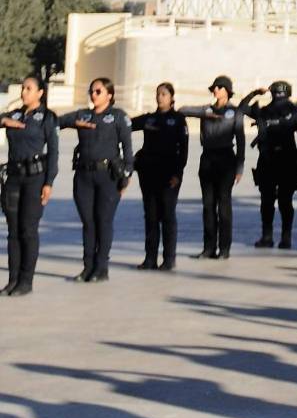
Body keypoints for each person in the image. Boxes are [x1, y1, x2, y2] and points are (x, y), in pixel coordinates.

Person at [57, 78, 135, 283]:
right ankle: (88, 267)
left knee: (103, 221)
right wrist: (74, 123)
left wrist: (126, 176)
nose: (93, 94)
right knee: (88, 223)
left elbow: (127, 148)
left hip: (107, 176)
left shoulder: (118, 116)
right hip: (84, 176)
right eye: (91, 91)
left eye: (98, 91)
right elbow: (54, 122)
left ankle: (101, 268)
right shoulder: (83, 115)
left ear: (109, 94)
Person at [1, 75, 58, 295]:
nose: (24, 92)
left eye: (29, 88)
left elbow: (53, 152)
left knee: (28, 230)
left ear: (40, 93)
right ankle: (13, 279)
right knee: (13, 231)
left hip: (35, 179)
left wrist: (49, 183)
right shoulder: (14, 114)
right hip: (13, 177)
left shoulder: (47, 118)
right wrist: (3, 122)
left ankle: (26, 281)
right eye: (23, 88)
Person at [179, 75, 245, 259]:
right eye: (214, 88)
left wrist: (239, 167)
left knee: (224, 205)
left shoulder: (235, 111)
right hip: (208, 158)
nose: (215, 90)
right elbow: (182, 110)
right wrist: (204, 114)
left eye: (219, 87)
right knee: (208, 206)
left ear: (227, 91)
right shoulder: (206, 109)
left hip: (226, 158)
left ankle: (224, 248)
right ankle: (209, 247)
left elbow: (240, 140)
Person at [130, 83, 188, 271]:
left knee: (168, 215)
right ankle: (150, 258)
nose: (160, 97)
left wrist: (178, 174)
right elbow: (126, 125)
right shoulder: (149, 119)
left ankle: (169, 258)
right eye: (158, 94)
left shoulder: (178, 120)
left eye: (164, 94)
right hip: (149, 174)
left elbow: (184, 151)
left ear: (172, 97)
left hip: (169, 174)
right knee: (151, 216)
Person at [240, 82, 297, 248]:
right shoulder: (294, 111)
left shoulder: (266, 111)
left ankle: (269, 237)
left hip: (272, 160)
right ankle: (284, 238)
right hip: (283, 160)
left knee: (269, 202)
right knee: (283, 202)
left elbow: (242, 107)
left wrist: (254, 93)